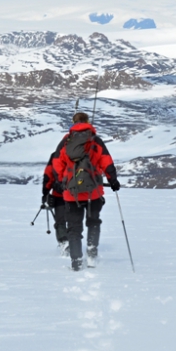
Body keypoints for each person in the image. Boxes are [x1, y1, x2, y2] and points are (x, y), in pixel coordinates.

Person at [51, 112, 121, 271]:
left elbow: (57, 164)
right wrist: (113, 180)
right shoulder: (95, 141)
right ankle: (91, 251)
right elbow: (107, 162)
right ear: (87, 122)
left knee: (74, 228)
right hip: (94, 192)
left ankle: (76, 261)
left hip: (71, 194)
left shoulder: (65, 142)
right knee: (93, 222)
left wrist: (61, 181)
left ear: (73, 123)